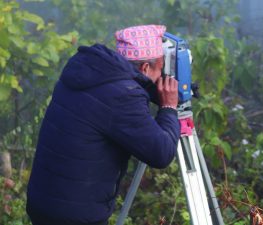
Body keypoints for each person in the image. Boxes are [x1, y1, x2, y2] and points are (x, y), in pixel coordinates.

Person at [26, 25, 180, 225]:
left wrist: (155, 91)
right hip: (76, 217)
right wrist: (168, 106)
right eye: (160, 70)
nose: (161, 76)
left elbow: (120, 91)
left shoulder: (87, 71)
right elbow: (162, 153)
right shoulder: (124, 96)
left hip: (44, 204)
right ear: (145, 67)